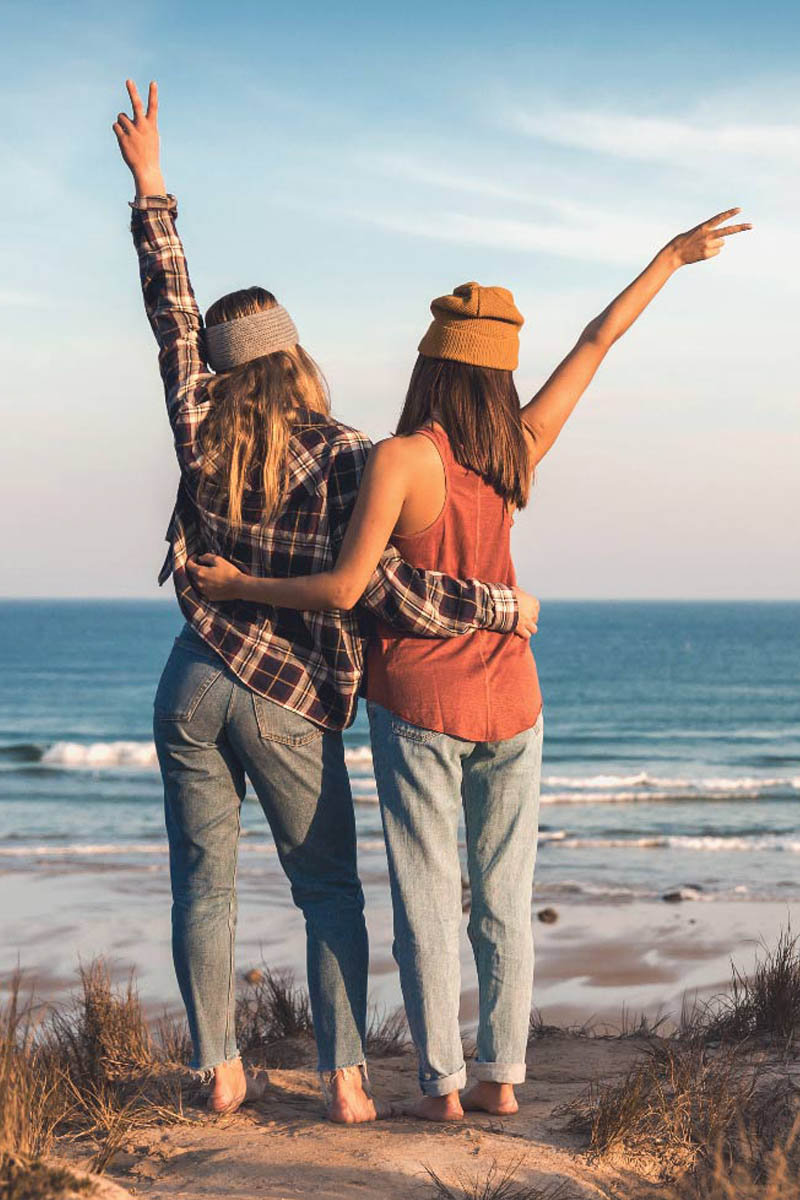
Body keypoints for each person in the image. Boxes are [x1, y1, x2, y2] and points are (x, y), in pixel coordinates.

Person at [190, 209, 751, 1121]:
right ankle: (502, 1078)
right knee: (503, 901)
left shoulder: (399, 460)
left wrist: (239, 578)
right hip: (514, 699)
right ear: (498, 376)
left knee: (425, 900)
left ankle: (442, 1090)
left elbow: (341, 590)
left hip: (418, 701)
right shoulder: (521, 449)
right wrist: (670, 260)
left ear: (428, 367)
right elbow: (595, 342)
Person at [112, 78, 540, 1124]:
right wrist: (496, 607)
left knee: (202, 887)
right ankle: (347, 1084)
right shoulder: (351, 456)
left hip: (191, 681)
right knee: (328, 892)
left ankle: (218, 1070)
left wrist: (151, 186)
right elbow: (387, 590)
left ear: (219, 369)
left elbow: (170, 308)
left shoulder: (197, 421)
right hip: (287, 697)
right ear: (298, 357)